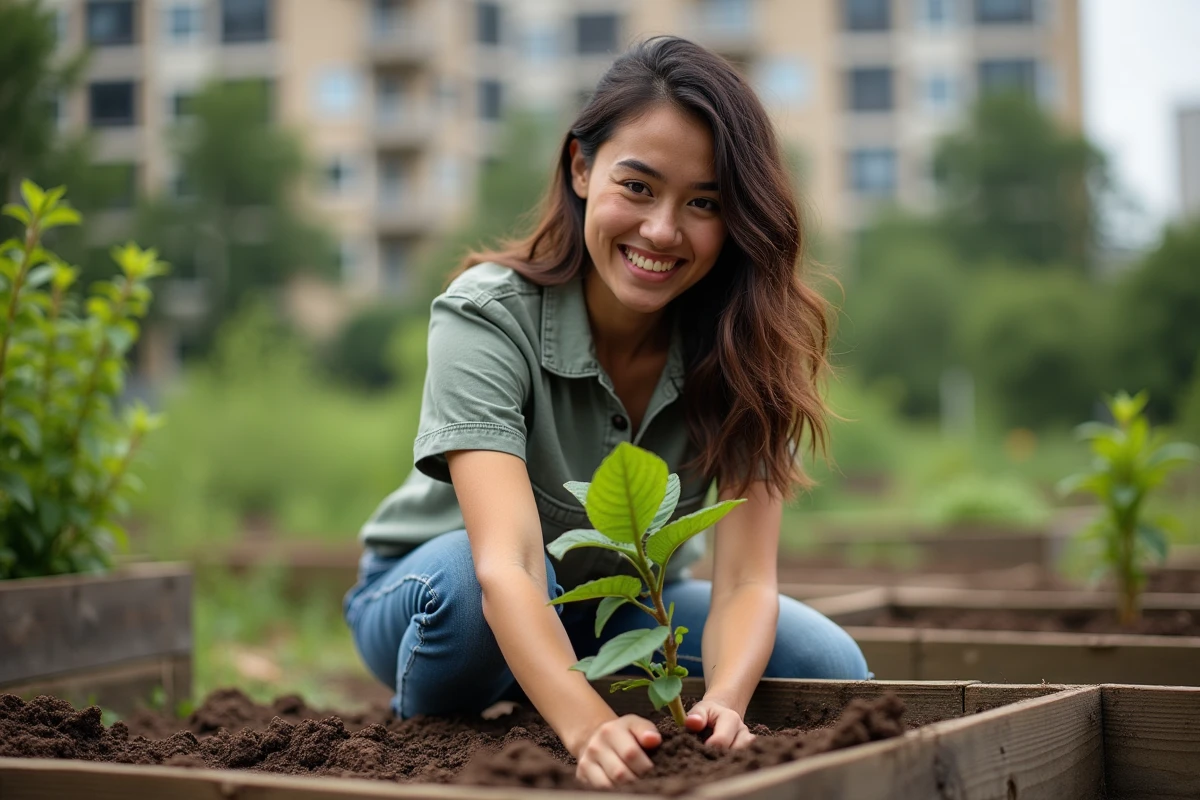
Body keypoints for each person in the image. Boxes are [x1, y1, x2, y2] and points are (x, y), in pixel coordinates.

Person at [342, 35, 869, 788]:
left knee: (827, 664)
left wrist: (720, 705)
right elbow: (509, 565)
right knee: (466, 599)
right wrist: (588, 727)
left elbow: (747, 582)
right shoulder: (487, 315)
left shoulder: (746, 346)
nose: (662, 231)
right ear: (581, 168)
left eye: (705, 203)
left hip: (618, 605)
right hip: (437, 586)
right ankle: (463, 725)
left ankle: (544, 684)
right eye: (639, 187)